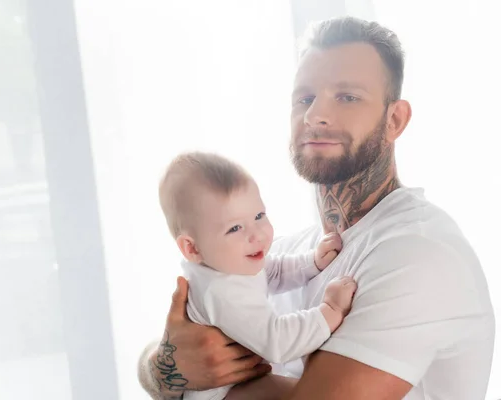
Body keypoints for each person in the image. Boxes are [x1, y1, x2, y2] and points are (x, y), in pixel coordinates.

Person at [138, 16, 495, 400]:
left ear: (394, 119)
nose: (314, 115)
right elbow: (171, 347)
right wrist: (161, 366)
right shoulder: (285, 254)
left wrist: (180, 374)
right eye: (305, 99)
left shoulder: (418, 254)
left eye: (347, 97)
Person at [157, 151, 357, 400]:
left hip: (242, 380)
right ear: (192, 248)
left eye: (259, 216)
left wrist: (311, 263)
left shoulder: (228, 264)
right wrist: (330, 311)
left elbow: (271, 271)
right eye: (235, 228)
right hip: (223, 394)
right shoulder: (221, 292)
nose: (258, 234)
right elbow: (278, 343)